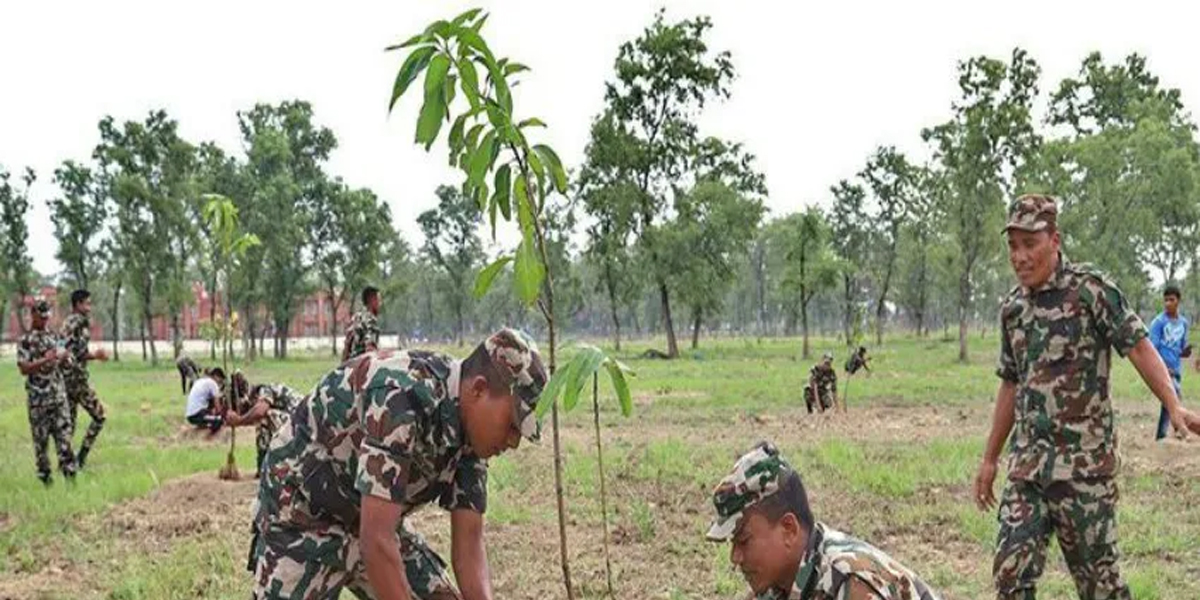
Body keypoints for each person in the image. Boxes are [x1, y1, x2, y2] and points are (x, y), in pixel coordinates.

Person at [973, 194, 1200, 599]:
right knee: (1010, 574)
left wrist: (1173, 403)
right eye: (1013, 246)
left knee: (1100, 587)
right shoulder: (1012, 309)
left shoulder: (1091, 292)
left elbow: (1138, 347)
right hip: (1028, 470)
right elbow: (1010, 382)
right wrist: (990, 458)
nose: (1019, 256)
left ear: (1054, 240)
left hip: (1084, 471)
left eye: (1030, 244)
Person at [250, 328, 545, 599]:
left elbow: (468, 548)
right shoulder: (402, 395)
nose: (513, 441)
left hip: (369, 517)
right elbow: (376, 541)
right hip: (302, 512)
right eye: (512, 425)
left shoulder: (474, 438)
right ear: (478, 390)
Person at [706, 442, 940, 600]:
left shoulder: (851, 584)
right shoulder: (777, 584)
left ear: (789, 529)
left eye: (744, 541)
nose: (735, 557)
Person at [17, 300, 77, 486]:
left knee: (65, 441)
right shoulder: (25, 340)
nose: (44, 321)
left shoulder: (55, 336)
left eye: (46, 317)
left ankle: (71, 482)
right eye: (41, 317)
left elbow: (68, 361)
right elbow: (24, 368)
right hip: (38, 402)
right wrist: (45, 359)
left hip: (58, 398)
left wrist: (66, 358)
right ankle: (46, 484)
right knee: (41, 447)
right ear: (32, 315)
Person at [60, 289, 108, 469]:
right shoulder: (75, 323)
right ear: (78, 304)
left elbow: (78, 352)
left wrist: (95, 355)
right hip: (76, 380)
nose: (89, 307)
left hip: (67, 380)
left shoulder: (72, 322)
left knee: (69, 424)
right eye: (87, 303)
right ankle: (80, 458)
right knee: (100, 416)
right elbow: (62, 349)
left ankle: (66, 463)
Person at [226, 381, 304, 473]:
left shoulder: (265, 390)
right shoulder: (276, 395)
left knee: (265, 417)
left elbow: (259, 411)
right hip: (302, 426)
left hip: (300, 424)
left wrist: (239, 421)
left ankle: (263, 466)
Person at [1149, 284, 1190, 441]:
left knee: (1169, 403)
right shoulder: (1158, 323)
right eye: (1165, 300)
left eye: (1171, 300)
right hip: (1163, 369)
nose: (1168, 303)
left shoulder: (1184, 324)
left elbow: (1180, 348)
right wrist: (1164, 367)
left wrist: (1186, 352)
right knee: (1174, 397)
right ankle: (1179, 430)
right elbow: (1152, 349)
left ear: (1178, 301)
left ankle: (1162, 436)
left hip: (1176, 369)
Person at [342, 286, 382, 362]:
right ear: (372, 300)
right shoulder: (370, 320)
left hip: (350, 366)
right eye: (379, 300)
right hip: (362, 367)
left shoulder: (355, 318)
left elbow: (346, 347)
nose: (380, 304)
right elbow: (370, 350)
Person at [184, 367, 227, 433]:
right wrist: (222, 416)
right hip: (197, 414)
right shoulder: (213, 383)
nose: (219, 383)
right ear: (216, 376)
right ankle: (210, 434)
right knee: (219, 420)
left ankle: (206, 423)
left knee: (212, 415)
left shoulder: (200, 381)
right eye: (220, 380)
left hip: (190, 415)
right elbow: (217, 405)